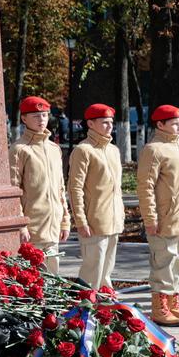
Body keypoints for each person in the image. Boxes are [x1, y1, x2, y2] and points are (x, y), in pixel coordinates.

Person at [137, 105, 179, 327]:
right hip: (165, 219)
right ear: (160, 124)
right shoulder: (153, 150)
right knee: (164, 263)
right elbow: (145, 187)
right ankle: (159, 308)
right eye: (174, 123)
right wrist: (150, 218)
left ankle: (174, 303)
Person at [9, 96, 70, 273]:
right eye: (35, 116)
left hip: (53, 225)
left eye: (44, 115)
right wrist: (21, 224)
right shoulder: (19, 149)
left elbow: (60, 188)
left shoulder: (54, 148)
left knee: (53, 277)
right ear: (24, 119)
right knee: (33, 280)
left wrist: (65, 221)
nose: (41, 120)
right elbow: (14, 190)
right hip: (32, 227)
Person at [67, 103, 125, 290]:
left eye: (111, 122)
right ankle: (86, 309)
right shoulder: (83, 150)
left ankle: (105, 305)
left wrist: (121, 215)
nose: (110, 126)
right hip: (94, 221)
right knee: (92, 270)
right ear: (90, 124)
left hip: (113, 220)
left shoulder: (113, 150)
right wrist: (81, 221)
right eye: (104, 122)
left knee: (107, 269)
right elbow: (75, 188)